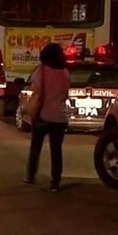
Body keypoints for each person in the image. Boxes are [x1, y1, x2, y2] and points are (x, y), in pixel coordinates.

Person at [24, 42, 71, 192]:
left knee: (35, 146)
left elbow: (37, 92)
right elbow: (65, 94)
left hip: (42, 114)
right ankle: (55, 183)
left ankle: (31, 175)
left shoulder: (41, 71)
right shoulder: (65, 73)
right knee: (56, 150)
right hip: (60, 117)